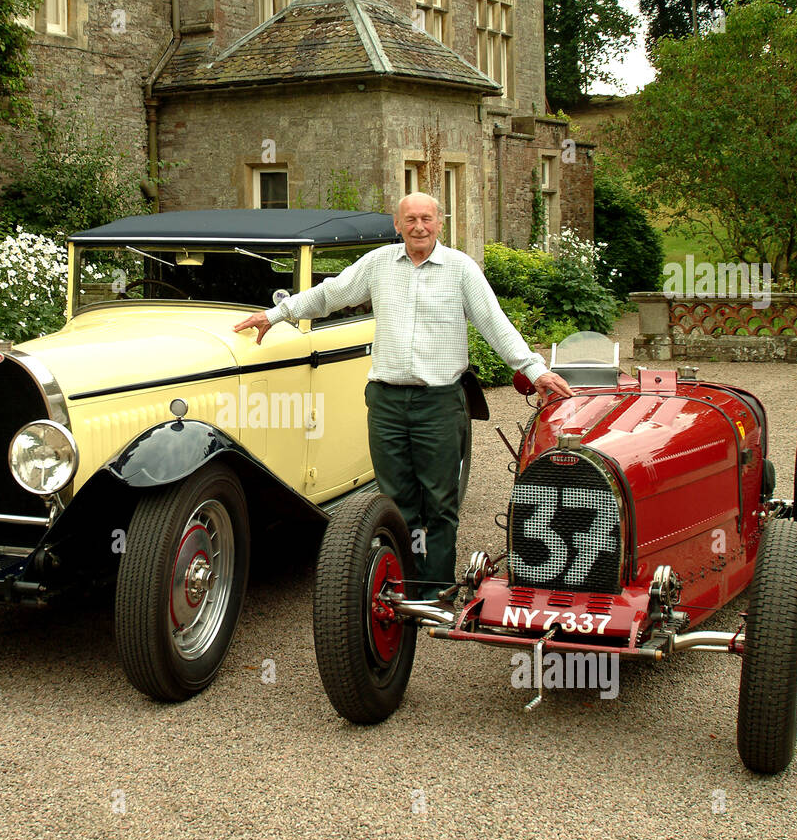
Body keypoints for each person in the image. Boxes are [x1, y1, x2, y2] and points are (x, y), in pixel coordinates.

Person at [233, 192, 572, 587]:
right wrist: (274, 314)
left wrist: (534, 369)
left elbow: (494, 324)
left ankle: (436, 590)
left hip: (439, 403)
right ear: (397, 225)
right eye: (410, 219)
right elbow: (328, 295)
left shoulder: (461, 270)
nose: (419, 227)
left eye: (427, 219)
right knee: (397, 500)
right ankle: (404, 584)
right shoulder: (378, 264)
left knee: (439, 503)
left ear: (440, 223)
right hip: (387, 402)